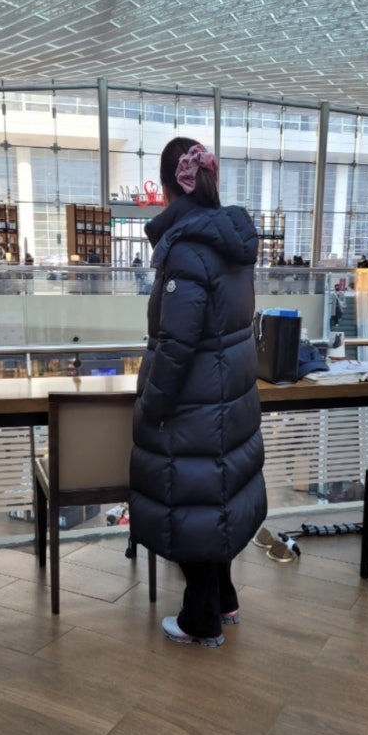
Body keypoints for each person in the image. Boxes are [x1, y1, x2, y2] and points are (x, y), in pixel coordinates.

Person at [129, 138, 267, 647]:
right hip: (227, 398)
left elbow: (176, 343)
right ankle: (224, 600)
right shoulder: (231, 241)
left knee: (190, 504)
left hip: (193, 405)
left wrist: (151, 405)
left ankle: (200, 620)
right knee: (217, 500)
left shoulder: (187, 247)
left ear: (169, 186)